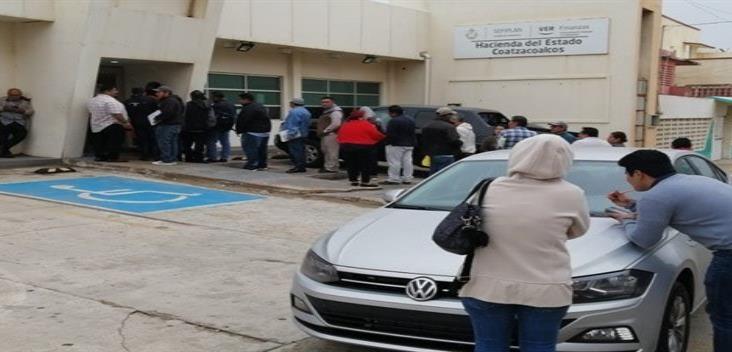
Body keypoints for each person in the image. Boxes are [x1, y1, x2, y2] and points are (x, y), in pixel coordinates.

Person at [461, 134, 589, 352]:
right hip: (546, 288)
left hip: (486, 285)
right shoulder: (572, 194)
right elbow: (578, 230)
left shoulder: (487, 188)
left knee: (489, 345)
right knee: (540, 346)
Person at [606, 150, 732, 352]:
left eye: (627, 175)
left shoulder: (657, 196)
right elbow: (670, 207)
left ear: (639, 173)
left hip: (729, 257)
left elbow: (644, 239)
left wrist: (624, 220)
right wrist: (630, 205)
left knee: (725, 318)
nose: (627, 180)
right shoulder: (691, 181)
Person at [337, 110, 385, 187]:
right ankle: (365, 181)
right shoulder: (366, 124)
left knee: (351, 164)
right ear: (361, 117)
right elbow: (376, 135)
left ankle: (353, 180)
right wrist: (382, 138)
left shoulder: (346, 124)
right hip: (364, 147)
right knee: (365, 165)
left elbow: (339, 135)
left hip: (347, 146)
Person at [87, 84, 131, 162]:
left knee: (100, 142)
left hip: (96, 125)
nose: (117, 92)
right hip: (111, 124)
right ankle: (113, 157)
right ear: (107, 91)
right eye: (114, 90)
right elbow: (116, 114)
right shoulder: (110, 101)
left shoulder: (92, 100)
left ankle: (100, 156)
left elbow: (90, 114)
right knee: (114, 141)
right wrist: (126, 122)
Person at [421, 107, 462, 175]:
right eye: (451, 115)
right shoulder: (449, 127)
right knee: (445, 174)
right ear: (446, 115)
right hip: (446, 154)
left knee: (434, 175)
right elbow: (454, 141)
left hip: (432, 154)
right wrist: (460, 143)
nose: (452, 116)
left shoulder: (427, 125)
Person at [235, 92, 271, 170]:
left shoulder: (248, 108)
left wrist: (239, 130)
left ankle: (252, 165)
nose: (239, 101)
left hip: (252, 132)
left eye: (240, 99)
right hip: (264, 132)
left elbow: (243, 120)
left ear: (246, 100)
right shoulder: (261, 106)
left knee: (251, 149)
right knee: (262, 150)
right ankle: (262, 165)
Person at [383, 105, 416, 185]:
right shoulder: (411, 119)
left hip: (396, 144)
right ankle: (407, 178)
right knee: (408, 162)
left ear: (393, 113)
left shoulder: (393, 121)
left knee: (394, 162)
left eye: (389, 113)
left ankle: (394, 179)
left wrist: (388, 142)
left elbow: (390, 134)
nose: (389, 114)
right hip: (409, 144)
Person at [151, 86, 184, 166]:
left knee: (165, 142)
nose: (157, 94)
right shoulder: (174, 100)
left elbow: (167, 113)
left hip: (168, 125)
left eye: (159, 92)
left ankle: (167, 159)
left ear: (166, 93)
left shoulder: (169, 101)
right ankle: (171, 159)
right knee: (172, 142)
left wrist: (157, 118)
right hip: (174, 124)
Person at [124, 87, 158, 160]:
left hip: (136, 123)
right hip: (150, 122)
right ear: (144, 92)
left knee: (142, 139)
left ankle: (144, 155)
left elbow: (126, 113)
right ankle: (154, 155)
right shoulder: (151, 100)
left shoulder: (127, 101)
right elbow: (156, 111)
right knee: (152, 138)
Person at [0, 88, 34, 158]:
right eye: (12, 95)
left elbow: (31, 111)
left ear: (20, 95)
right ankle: (4, 151)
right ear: (8, 94)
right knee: (3, 134)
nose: (14, 96)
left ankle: (3, 148)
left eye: (17, 95)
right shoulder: (2, 100)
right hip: (5, 120)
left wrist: (23, 111)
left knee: (22, 134)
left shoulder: (25, 102)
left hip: (18, 122)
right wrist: (4, 108)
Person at [280, 98, 311, 173]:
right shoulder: (306, 111)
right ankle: (302, 166)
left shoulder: (294, 112)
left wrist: (289, 135)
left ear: (293, 103)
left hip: (295, 135)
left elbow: (293, 124)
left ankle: (298, 167)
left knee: (295, 151)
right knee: (301, 151)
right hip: (303, 133)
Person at [181, 90, 212, 163]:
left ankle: (188, 158)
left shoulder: (187, 105)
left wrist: (183, 126)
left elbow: (183, 116)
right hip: (202, 129)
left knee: (187, 145)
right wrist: (209, 126)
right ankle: (198, 159)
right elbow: (211, 117)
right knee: (199, 145)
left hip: (189, 129)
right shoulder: (206, 105)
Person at [316, 96, 343, 173]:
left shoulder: (335, 112)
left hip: (332, 134)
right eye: (323, 102)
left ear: (333, 102)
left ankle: (332, 168)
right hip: (326, 135)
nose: (324, 104)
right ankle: (327, 167)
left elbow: (336, 124)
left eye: (327, 102)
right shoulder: (327, 111)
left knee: (332, 152)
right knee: (326, 151)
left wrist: (325, 131)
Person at [208, 92, 236, 162]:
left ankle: (213, 157)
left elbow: (212, 117)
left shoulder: (216, 106)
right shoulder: (231, 104)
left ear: (216, 97)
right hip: (227, 126)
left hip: (216, 126)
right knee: (225, 142)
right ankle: (225, 157)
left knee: (212, 141)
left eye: (212, 97)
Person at [361, 106, 383, 178]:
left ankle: (371, 173)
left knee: (369, 159)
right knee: (370, 159)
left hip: (369, 143)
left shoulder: (370, 124)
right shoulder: (376, 123)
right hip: (372, 143)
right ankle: (372, 173)